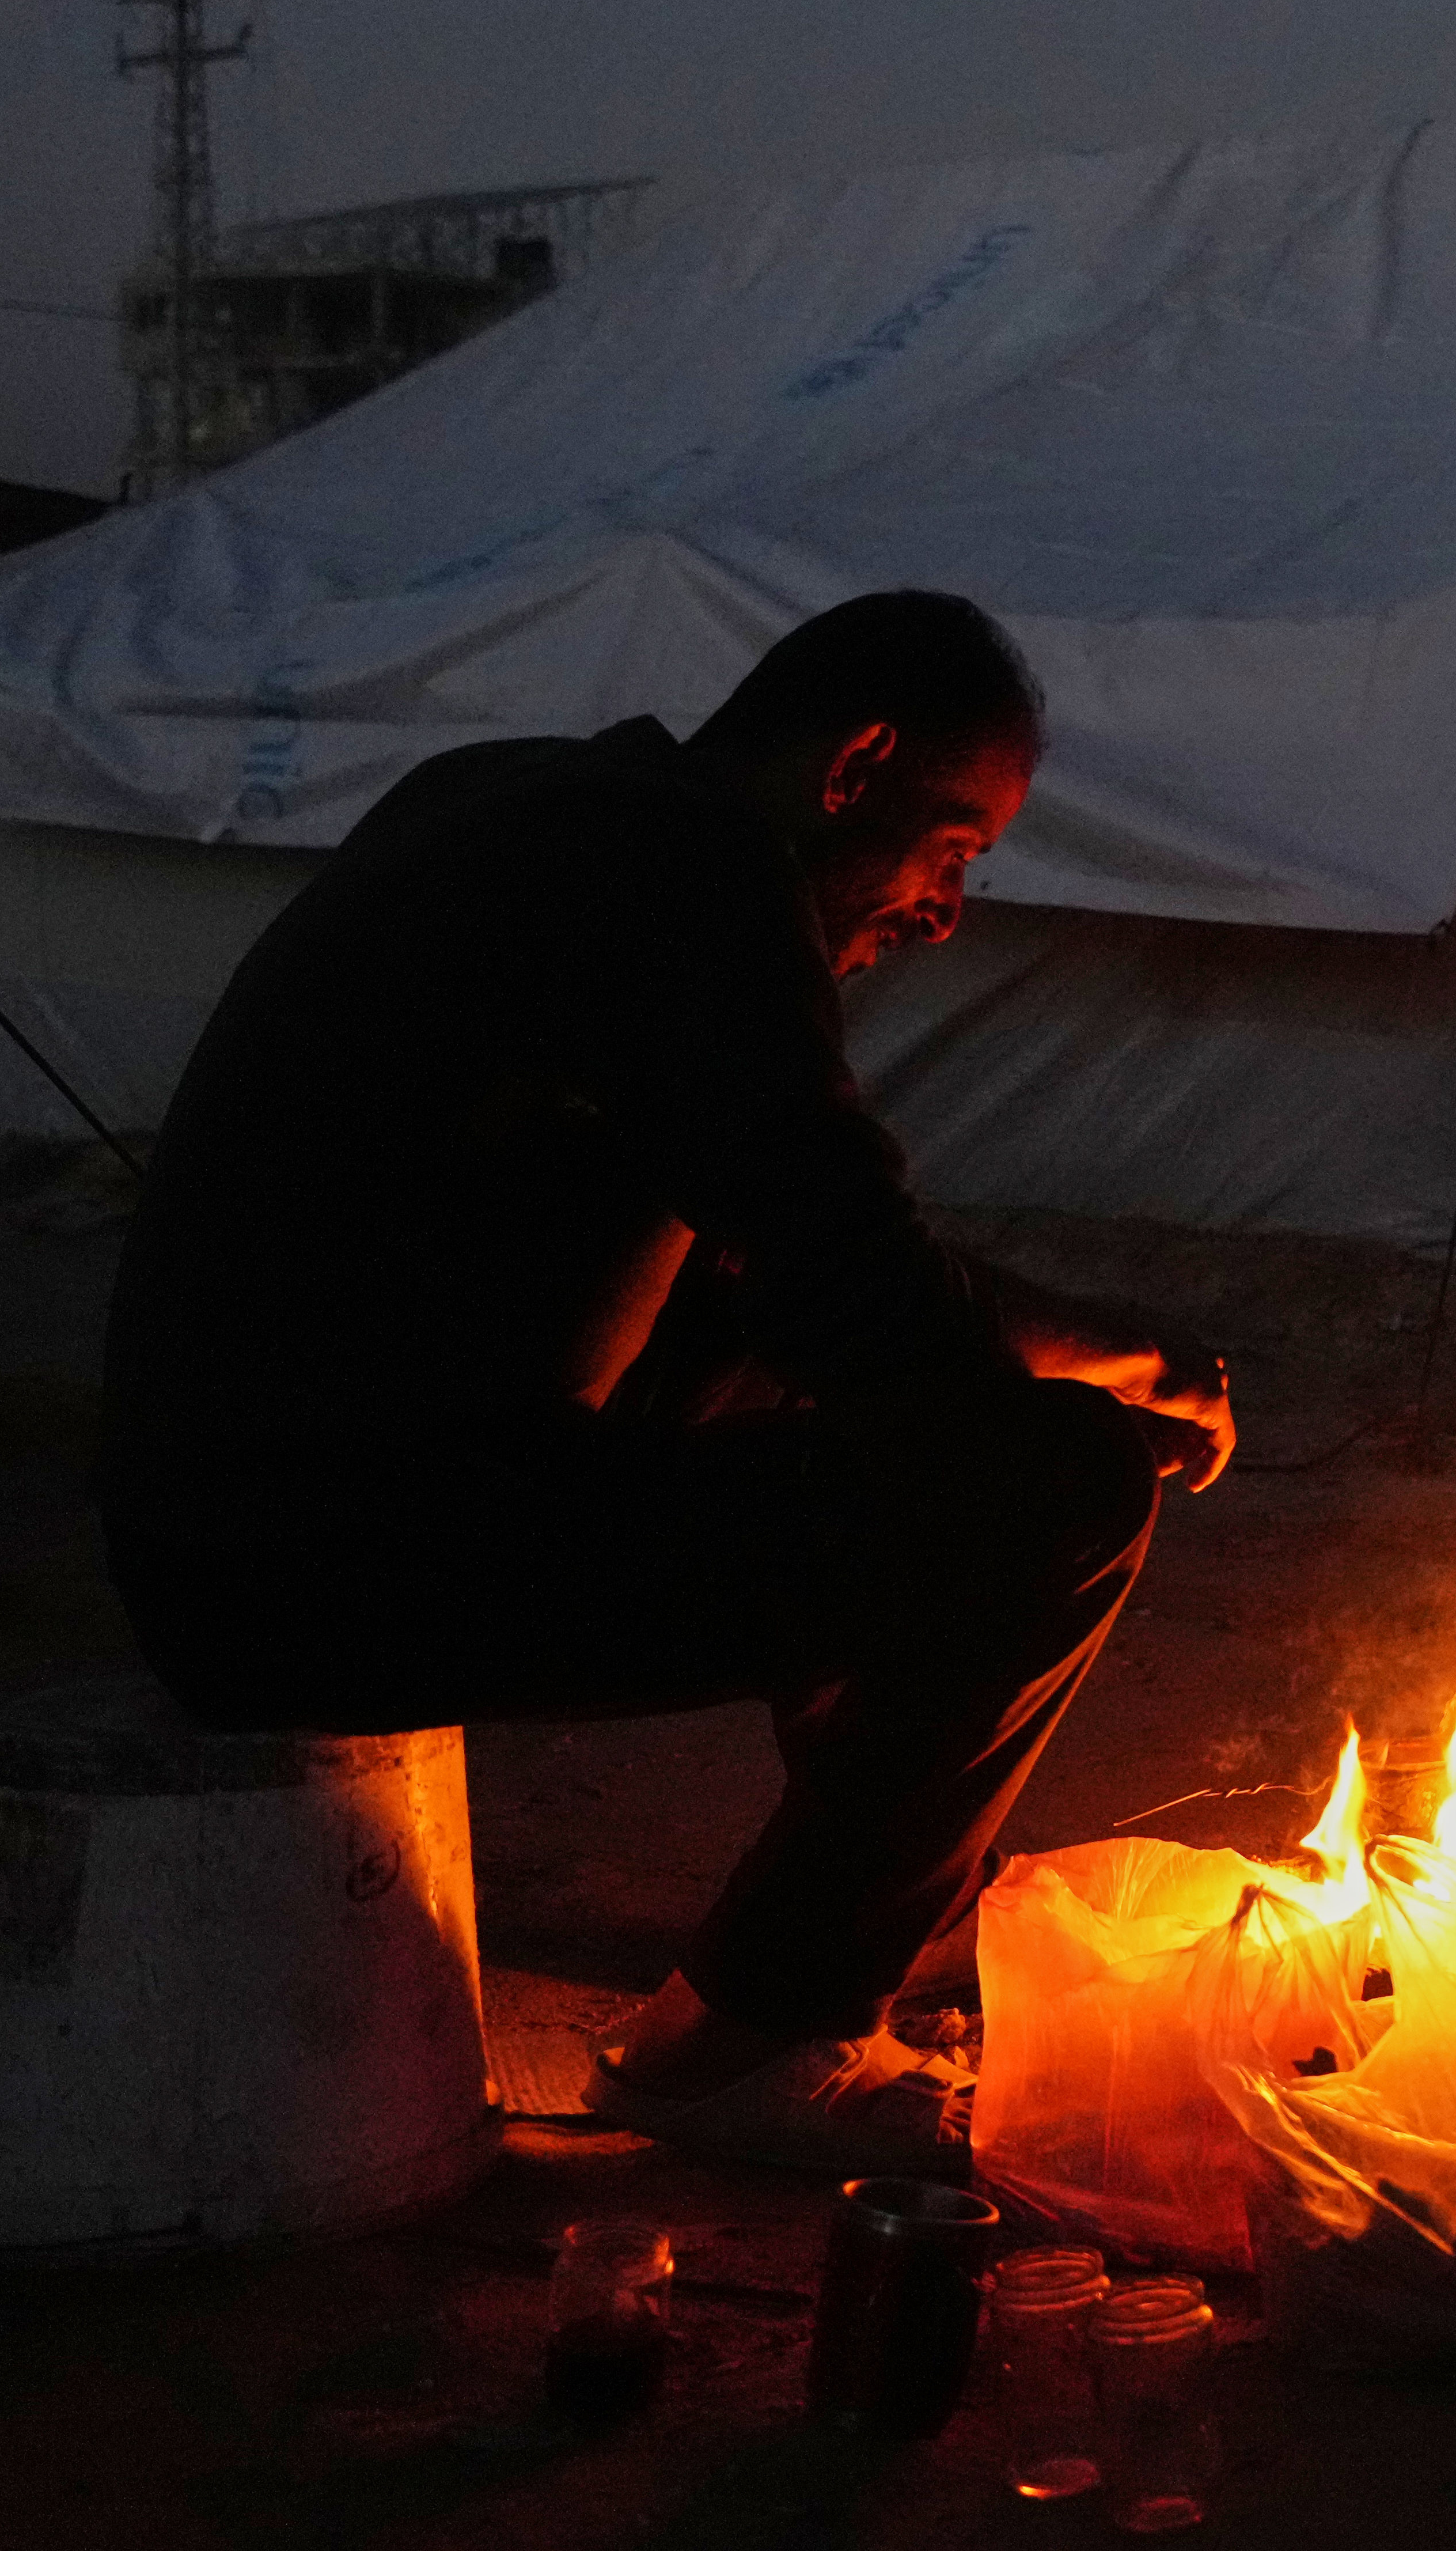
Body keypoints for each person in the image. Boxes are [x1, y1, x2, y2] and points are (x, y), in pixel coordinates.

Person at [100, 589, 1231, 2174]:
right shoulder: (686, 870)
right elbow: (857, 1289)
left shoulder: (527, 806)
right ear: (858, 767)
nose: (946, 910)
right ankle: (746, 2045)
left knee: (896, 1431)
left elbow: (750, 1283)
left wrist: (1049, 1358)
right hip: (325, 1556)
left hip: (236, 1523)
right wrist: (1093, 1384)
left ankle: (801, 1956)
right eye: (956, 846)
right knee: (1057, 1487)